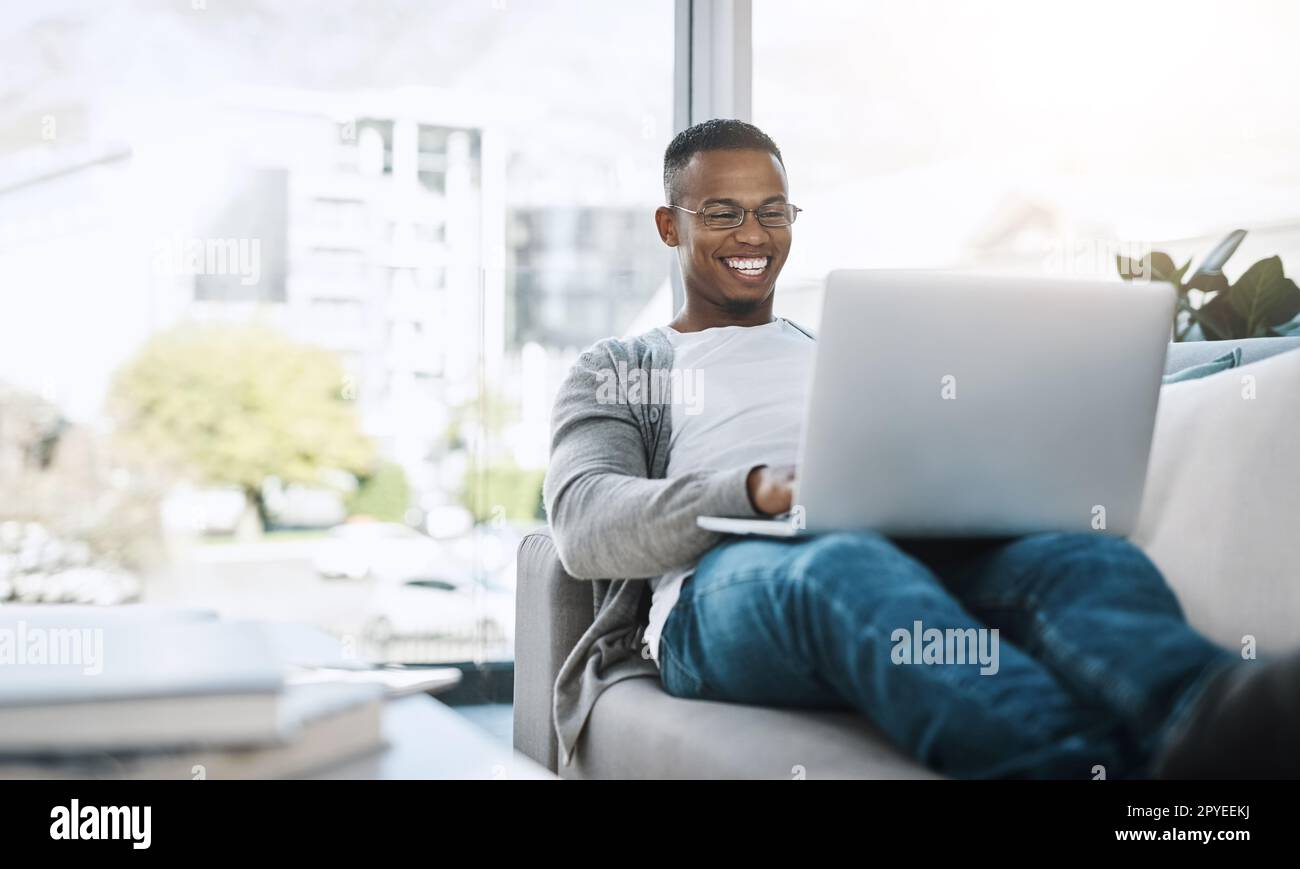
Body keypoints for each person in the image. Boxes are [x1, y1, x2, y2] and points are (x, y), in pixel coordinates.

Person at [542, 118, 1299, 778]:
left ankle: (1215, 717)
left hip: (902, 548)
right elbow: (584, 520)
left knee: (1079, 557)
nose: (753, 234)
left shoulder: (848, 346)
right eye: (723, 213)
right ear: (670, 225)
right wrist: (754, 489)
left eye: (773, 211)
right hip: (719, 593)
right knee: (840, 566)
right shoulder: (623, 367)